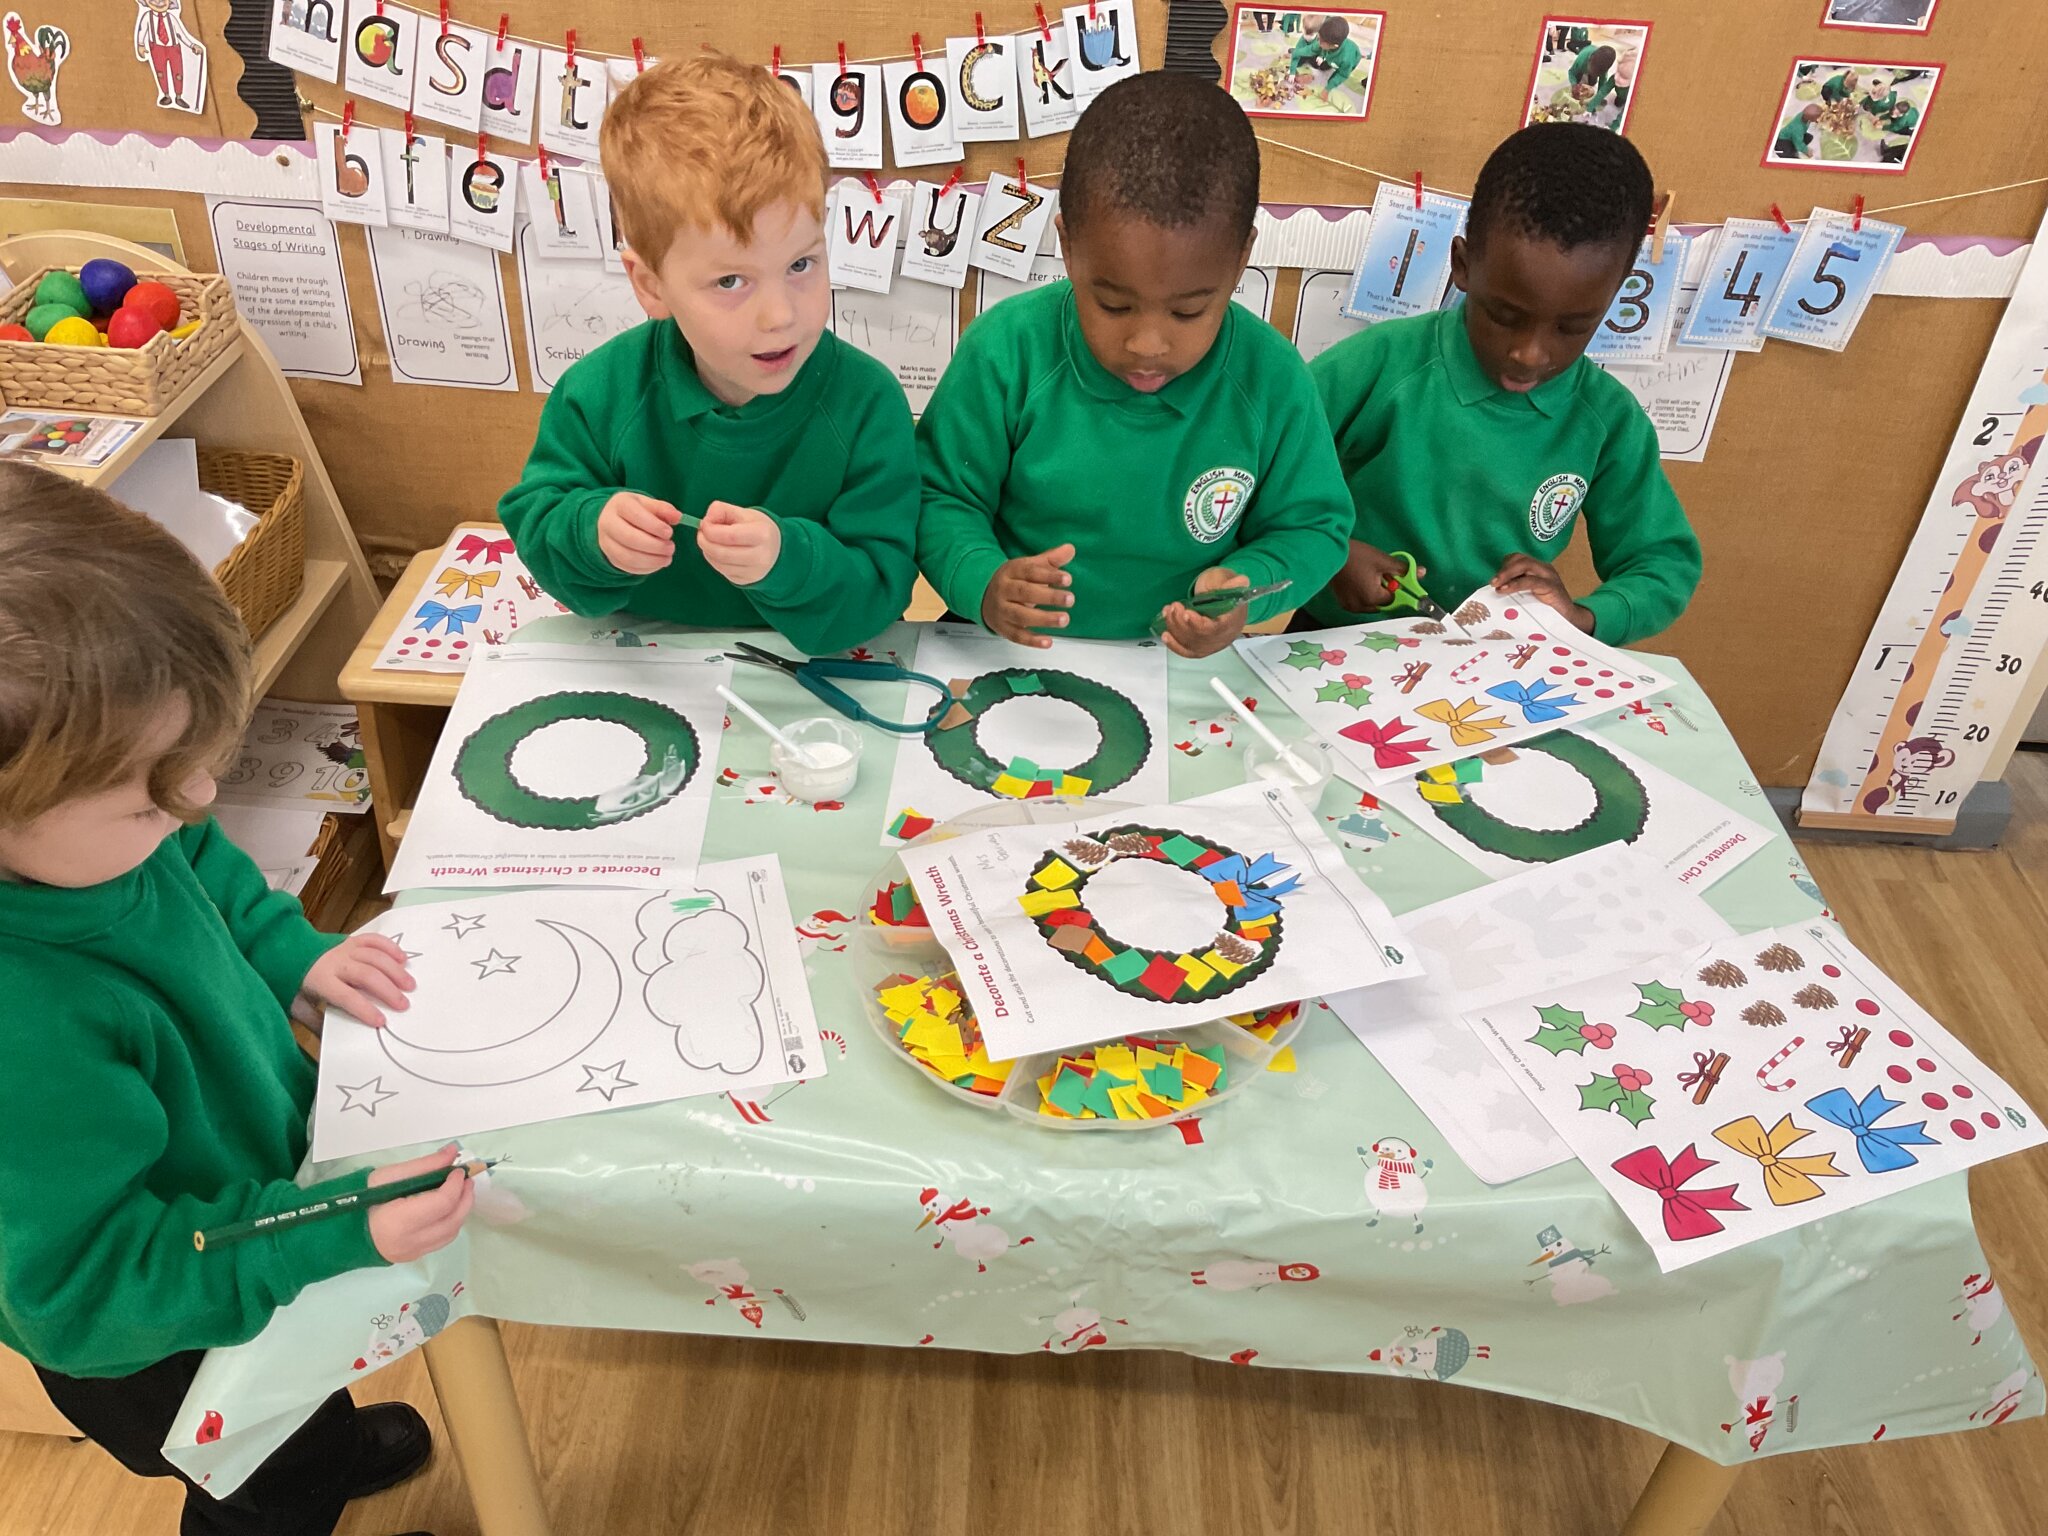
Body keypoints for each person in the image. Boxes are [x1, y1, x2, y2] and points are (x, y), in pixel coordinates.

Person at [0, 463, 467, 1536]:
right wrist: (329, 1226)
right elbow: (88, 1289)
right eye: (151, 795)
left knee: (307, 1417)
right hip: (157, 1338)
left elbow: (200, 863)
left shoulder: (99, 835)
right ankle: (302, 1474)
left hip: (249, 1217)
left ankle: (325, 1442)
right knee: (265, 1487)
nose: (199, 799)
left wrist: (288, 950)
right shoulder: (25, 1025)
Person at [915, 71, 1350, 656]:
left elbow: (1314, 529)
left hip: (1173, 668)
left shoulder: (1271, 379)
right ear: (1067, 247)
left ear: (1243, 258)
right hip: (1004, 646)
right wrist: (983, 583)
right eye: (1113, 304)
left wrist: (1248, 589)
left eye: (1189, 311)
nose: (1148, 344)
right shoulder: (1006, 350)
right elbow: (938, 496)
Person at [498, 55, 919, 657]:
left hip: (806, 674)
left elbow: (881, 591)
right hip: (639, 662)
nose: (780, 316)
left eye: (802, 264)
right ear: (650, 286)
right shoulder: (599, 394)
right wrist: (594, 533)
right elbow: (538, 519)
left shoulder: (867, 403)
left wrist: (786, 560)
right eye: (730, 282)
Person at [1300, 124, 1701, 644]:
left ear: (1615, 298)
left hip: (1493, 668)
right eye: (1506, 316)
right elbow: (1259, 470)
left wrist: (1583, 619)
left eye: (1572, 327)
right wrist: (1328, 551)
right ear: (1463, 266)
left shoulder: (1608, 422)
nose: (1530, 354)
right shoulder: (1377, 365)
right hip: (1330, 644)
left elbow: (1663, 563)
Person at [1288, 15, 1362, 106]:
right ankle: (1323, 56)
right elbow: (1310, 49)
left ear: (1333, 46)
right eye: (1318, 38)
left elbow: (1342, 74)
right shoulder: (1322, 42)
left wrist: (1327, 89)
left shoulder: (1347, 59)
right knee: (1316, 55)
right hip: (1328, 54)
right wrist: (1297, 52)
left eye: (1320, 41)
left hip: (1345, 62)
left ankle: (1327, 67)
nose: (1317, 42)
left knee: (1333, 75)